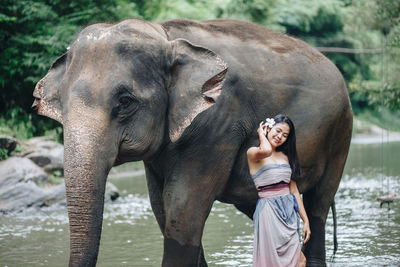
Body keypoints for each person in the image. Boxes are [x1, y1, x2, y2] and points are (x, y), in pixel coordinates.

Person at [247, 114, 311, 267]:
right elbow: (267, 151)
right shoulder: (254, 153)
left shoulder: (286, 156)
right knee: (271, 262)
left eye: (285, 135)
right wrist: (261, 134)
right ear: (268, 128)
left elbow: (294, 190)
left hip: (288, 212)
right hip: (269, 211)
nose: (280, 136)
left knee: (300, 261)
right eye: (278, 131)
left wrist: (306, 220)